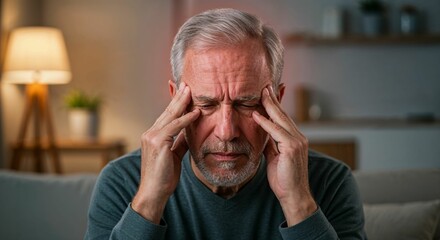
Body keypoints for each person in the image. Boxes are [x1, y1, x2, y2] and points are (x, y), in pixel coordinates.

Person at [85, 8, 366, 240]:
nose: (226, 132)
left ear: (276, 102)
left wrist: (298, 201)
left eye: (246, 104)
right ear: (176, 101)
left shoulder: (330, 181)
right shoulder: (122, 181)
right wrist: (150, 199)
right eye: (206, 105)